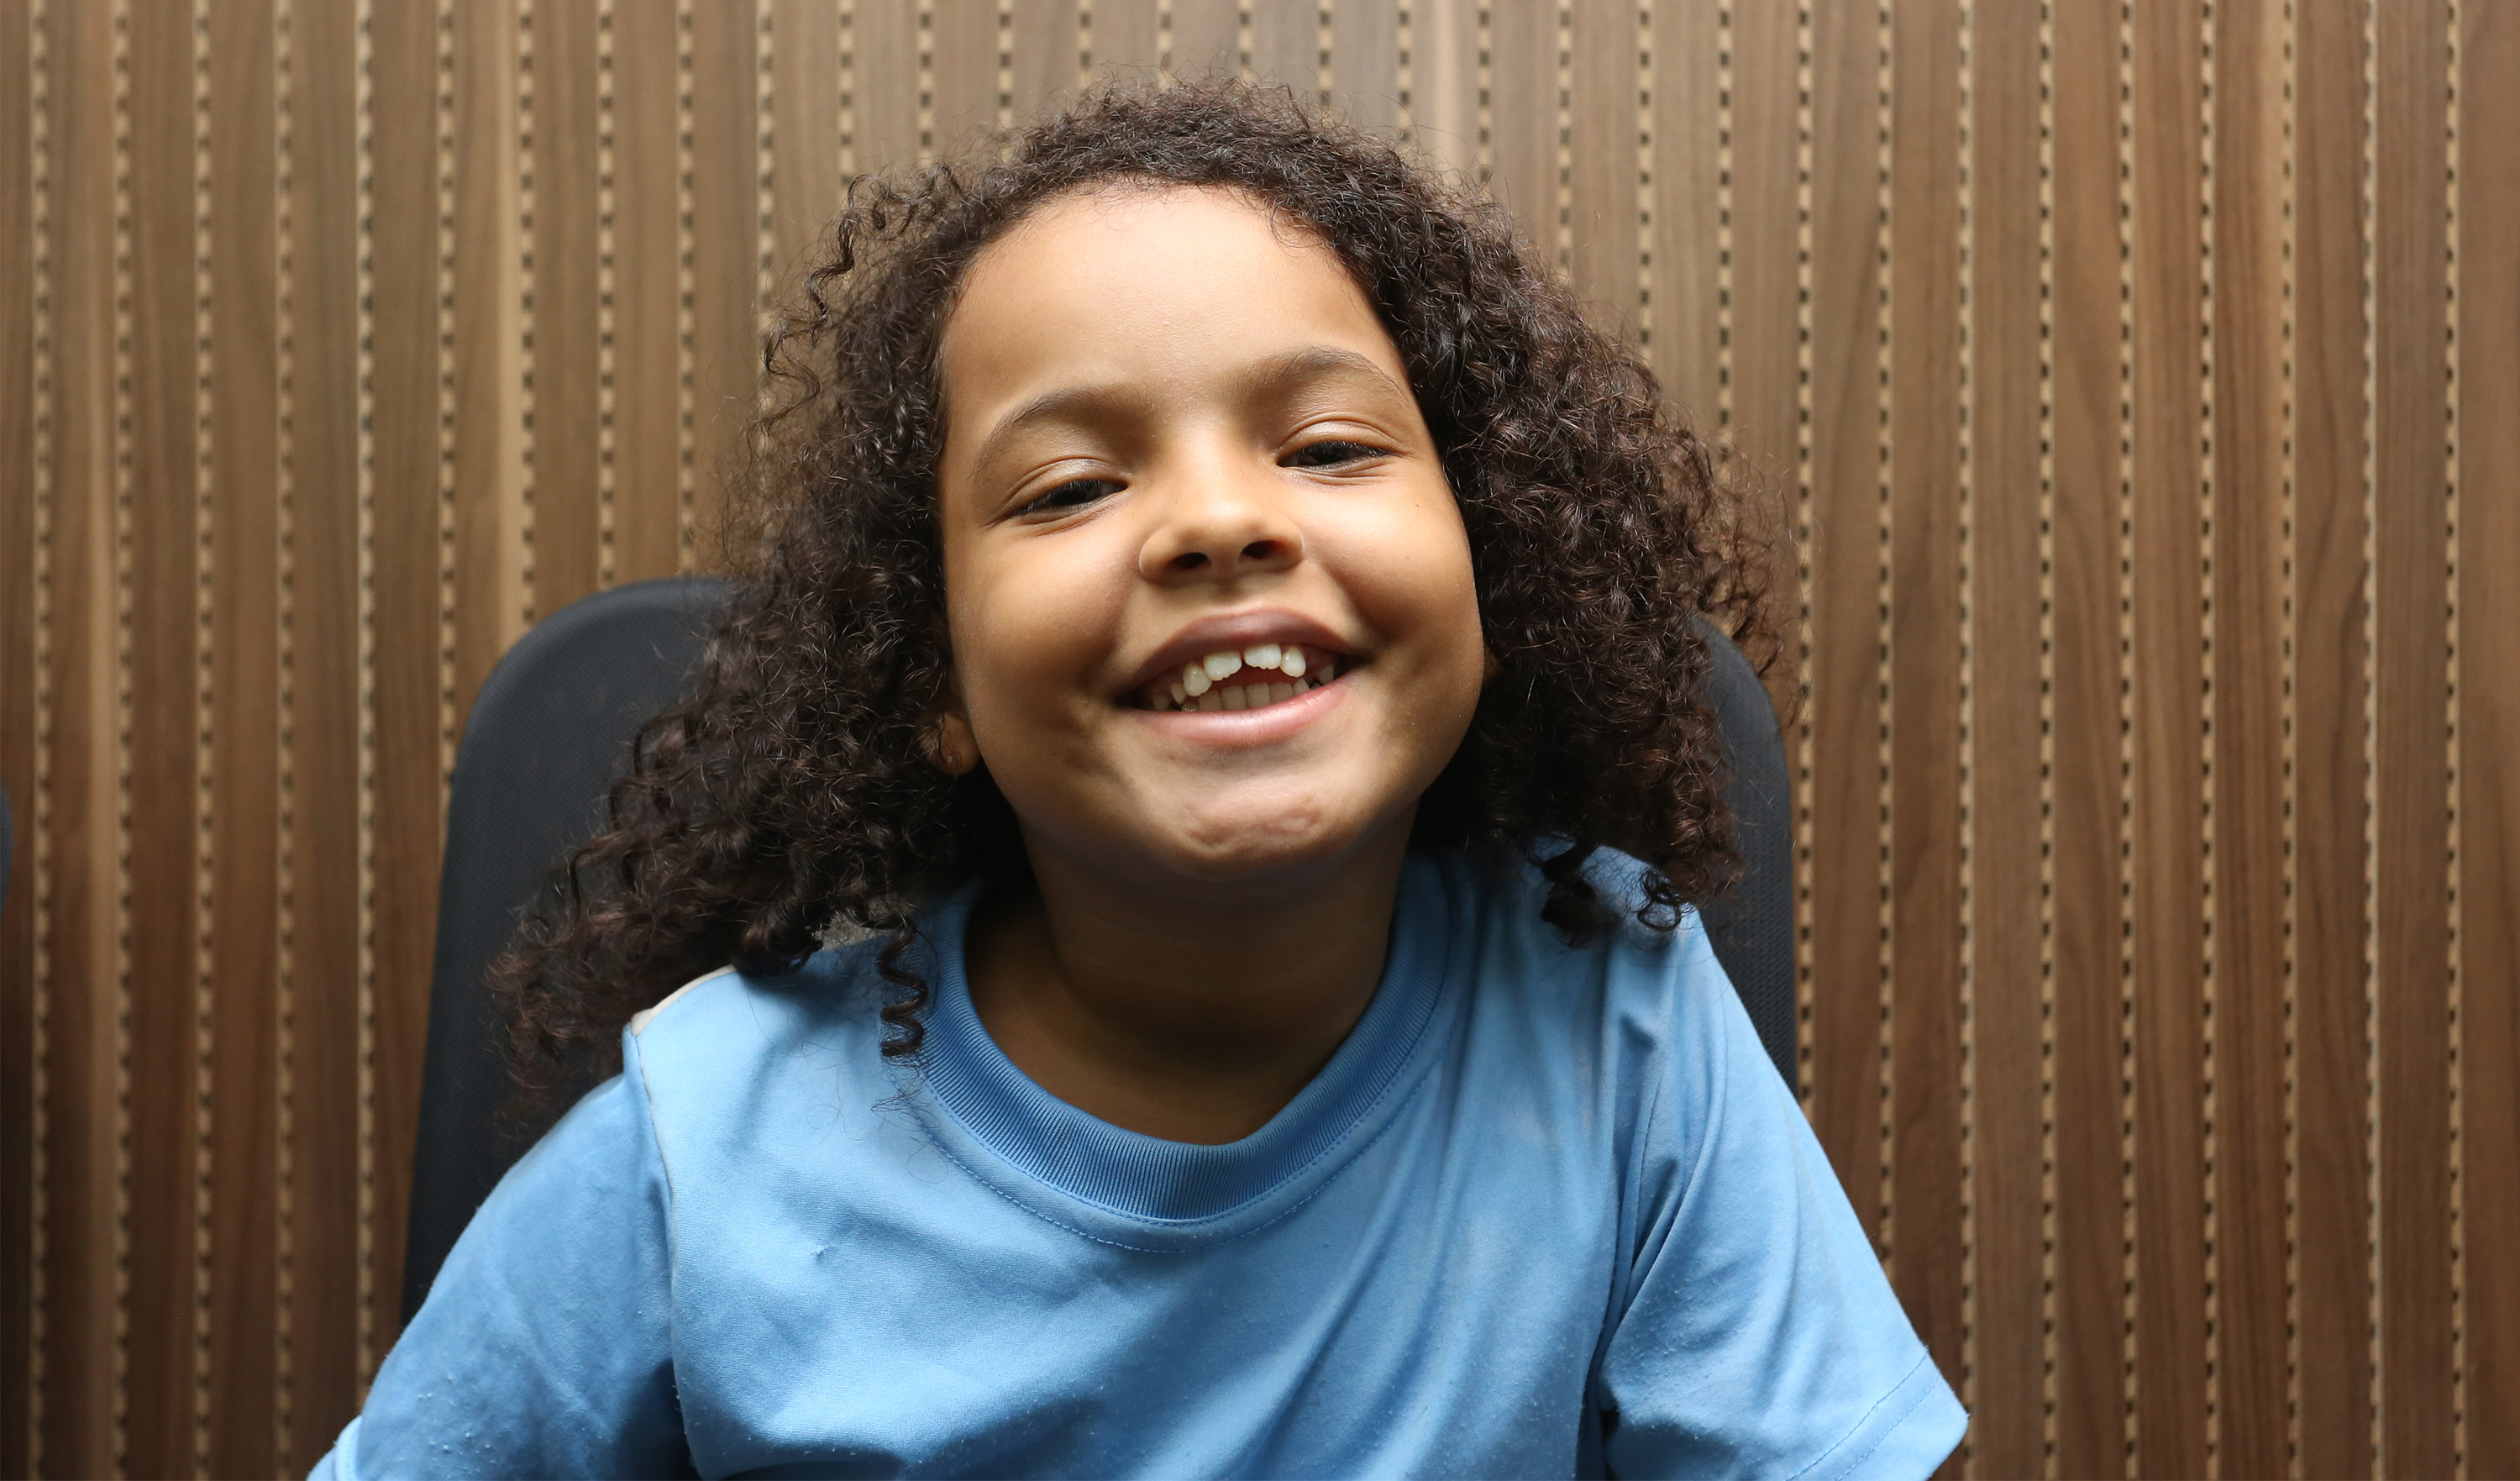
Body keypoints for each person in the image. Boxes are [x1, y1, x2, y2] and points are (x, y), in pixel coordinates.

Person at [316, 80, 1965, 1479]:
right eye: (1068, 487)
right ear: (931, 681)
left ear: (1496, 569)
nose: (1219, 521)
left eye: (1326, 449)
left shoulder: (1615, 1013)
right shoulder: (704, 1144)